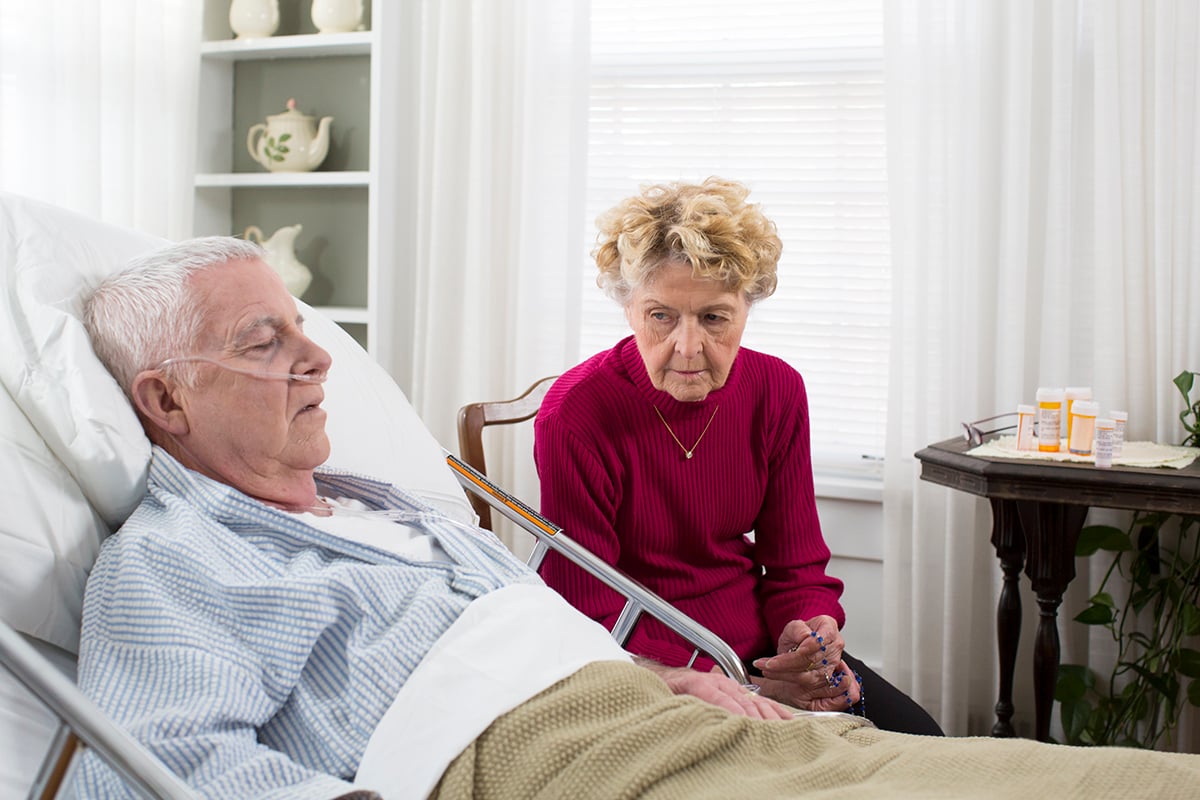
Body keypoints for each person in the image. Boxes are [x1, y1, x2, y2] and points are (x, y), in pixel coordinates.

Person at [71, 236, 1200, 799]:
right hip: (568, 763)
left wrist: (705, 675)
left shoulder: (382, 504)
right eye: (265, 343)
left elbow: (792, 557)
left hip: (697, 707)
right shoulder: (178, 560)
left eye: (302, 324)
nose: (321, 355)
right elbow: (156, 767)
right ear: (164, 397)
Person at [535, 176, 941, 735]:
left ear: (746, 309)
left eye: (714, 317)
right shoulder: (576, 414)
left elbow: (796, 564)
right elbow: (588, 607)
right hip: (652, 667)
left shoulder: (776, 390)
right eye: (661, 315)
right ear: (627, 308)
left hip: (757, 654)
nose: (688, 347)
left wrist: (803, 641)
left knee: (923, 739)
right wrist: (705, 675)